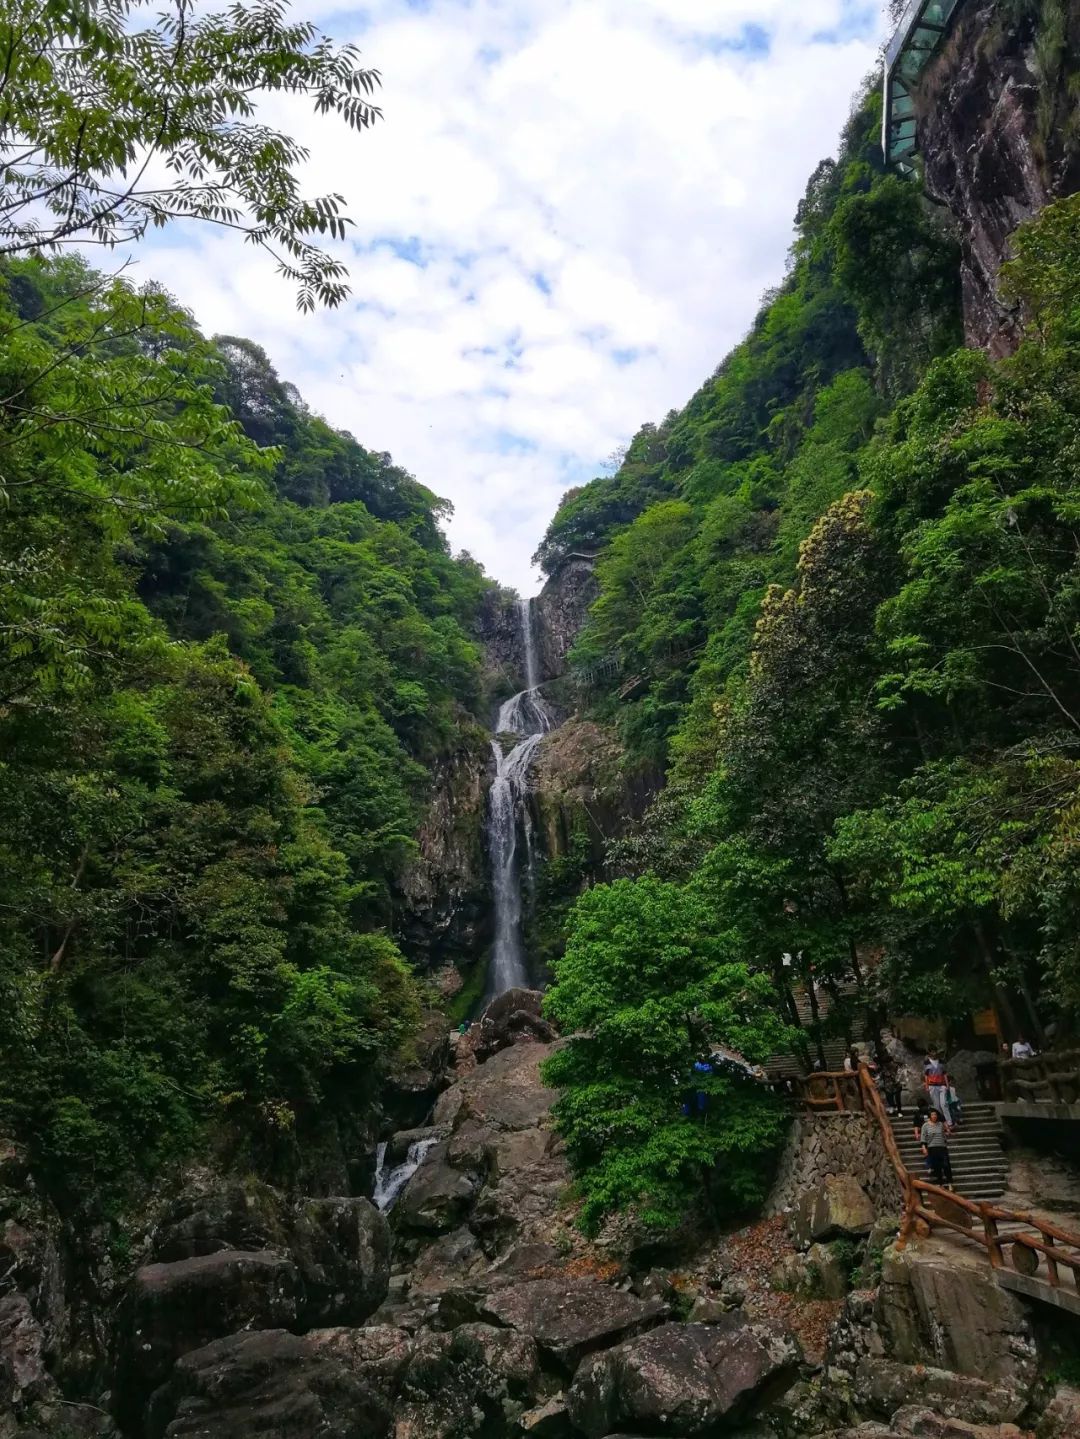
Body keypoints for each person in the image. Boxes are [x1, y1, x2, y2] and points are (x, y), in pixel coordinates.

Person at [920, 1108, 953, 1188]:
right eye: (932, 1115)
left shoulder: (940, 1124)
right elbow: (923, 1138)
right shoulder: (925, 1126)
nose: (934, 1116)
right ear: (930, 1116)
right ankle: (941, 1183)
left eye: (935, 1114)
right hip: (932, 1148)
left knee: (946, 1165)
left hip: (942, 1147)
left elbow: (946, 1133)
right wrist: (924, 1148)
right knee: (937, 1166)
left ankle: (949, 1183)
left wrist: (947, 1130)